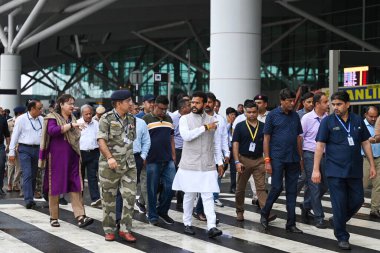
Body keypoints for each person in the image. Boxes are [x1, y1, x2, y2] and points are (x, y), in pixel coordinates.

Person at [312, 91, 376, 250]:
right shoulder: (327, 121)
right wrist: (315, 170)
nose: (335, 107)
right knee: (339, 203)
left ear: (348, 104)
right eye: (333, 104)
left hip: (354, 169)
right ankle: (342, 236)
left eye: (339, 104)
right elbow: (320, 146)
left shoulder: (357, 120)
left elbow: (365, 143)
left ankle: (338, 220)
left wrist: (372, 164)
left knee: (358, 200)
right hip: (334, 171)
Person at [172, 91, 223, 238]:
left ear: (205, 103)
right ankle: (187, 223)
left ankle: (212, 226)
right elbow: (186, 136)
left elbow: (216, 143)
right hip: (189, 164)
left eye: (197, 103)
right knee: (189, 194)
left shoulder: (212, 119)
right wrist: (205, 128)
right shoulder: (185, 119)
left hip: (207, 164)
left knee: (208, 195)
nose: (193, 105)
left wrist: (219, 162)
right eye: (192, 103)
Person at [39, 94, 94, 228]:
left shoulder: (73, 118)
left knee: (76, 185)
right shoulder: (52, 117)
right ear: (61, 104)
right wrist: (71, 126)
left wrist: (76, 128)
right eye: (69, 103)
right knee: (55, 187)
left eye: (73, 103)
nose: (72, 106)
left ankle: (80, 216)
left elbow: (75, 136)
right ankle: (54, 217)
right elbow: (53, 131)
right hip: (57, 158)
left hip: (73, 156)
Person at [260, 88, 303, 233]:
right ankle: (265, 213)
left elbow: (298, 138)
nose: (292, 103)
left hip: (293, 158)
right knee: (277, 187)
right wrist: (267, 160)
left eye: (293, 100)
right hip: (277, 158)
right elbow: (266, 138)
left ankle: (291, 223)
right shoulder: (272, 115)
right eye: (289, 101)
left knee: (292, 191)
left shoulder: (295, 116)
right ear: (282, 101)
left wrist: (301, 158)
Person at [97, 90, 137, 242]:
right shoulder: (106, 118)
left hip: (128, 165)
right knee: (108, 199)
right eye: (128, 101)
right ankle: (109, 229)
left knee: (130, 196)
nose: (131, 103)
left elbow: (131, 139)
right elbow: (101, 140)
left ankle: (125, 229)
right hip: (110, 165)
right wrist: (109, 157)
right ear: (119, 103)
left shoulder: (132, 119)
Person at [233, 101, 277, 222]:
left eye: (254, 112)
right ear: (245, 112)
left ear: (258, 112)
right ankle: (239, 211)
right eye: (249, 112)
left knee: (261, 188)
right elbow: (235, 144)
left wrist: (267, 160)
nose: (252, 114)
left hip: (259, 160)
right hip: (244, 160)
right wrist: (237, 161)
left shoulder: (263, 126)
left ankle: (266, 212)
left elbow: (267, 143)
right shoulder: (240, 126)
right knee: (240, 189)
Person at [143, 95, 176, 226]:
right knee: (152, 188)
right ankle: (152, 215)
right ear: (155, 106)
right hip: (151, 160)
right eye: (161, 108)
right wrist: (143, 157)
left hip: (168, 159)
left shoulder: (168, 118)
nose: (163, 111)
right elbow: (140, 139)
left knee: (172, 186)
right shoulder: (145, 119)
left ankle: (162, 211)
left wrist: (174, 155)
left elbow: (171, 138)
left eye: (165, 109)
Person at [300, 92, 329, 228]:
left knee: (325, 185)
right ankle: (319, 217)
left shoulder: (328, 118)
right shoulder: (306, 118)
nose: (328, 104)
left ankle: (306, 205)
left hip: (325, 155)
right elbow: (300, 138)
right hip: (310, 154)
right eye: (325, 102)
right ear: (317, 104)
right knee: (314, 186)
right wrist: (301, 156)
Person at [9, 100, 43, 207]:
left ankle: (31, 197)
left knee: (33, 175)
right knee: (27, 174)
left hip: (37, 149)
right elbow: (14, 135)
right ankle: (28, 199)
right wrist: (11, 151)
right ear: (32, 109)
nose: (41, 110)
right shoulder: (21, 119)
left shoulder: (42, 119)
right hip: (24, 149)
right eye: (39, 108)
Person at [121, 101, 151, 215]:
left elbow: (146, 141)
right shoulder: (114, 122)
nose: (129, 108)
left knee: (132, 188)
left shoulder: (141, 123)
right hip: (119, 157)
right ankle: (119, 215)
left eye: (131, 106)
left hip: (136, 157)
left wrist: (143, 156)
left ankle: (127, 214)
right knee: (120, 188)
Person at [77, 104, 101, 207]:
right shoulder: (77, 123)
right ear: (82, 113)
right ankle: (79, 199)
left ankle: (95, 198)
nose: (88, 115)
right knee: (79, 177)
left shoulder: (96, 123)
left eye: (90, 113)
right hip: (80, 153)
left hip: (93, 152)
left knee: (93, 176)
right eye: (86, 114)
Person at [171, 98, 191, 210]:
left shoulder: (190, 118)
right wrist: (173, 153)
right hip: (177, 150)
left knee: (185, 175)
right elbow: (171, 136)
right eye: (189, 105)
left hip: (188, 150)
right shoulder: (174, 118)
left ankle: (181, 201)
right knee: (176, 175)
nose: (191, 106)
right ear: (183, 108)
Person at [365, 106, 380, 218]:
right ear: (366, 114)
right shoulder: (360, 125)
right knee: (362, 184)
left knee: (378, 185)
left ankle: (375, 209)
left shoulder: (379, 125)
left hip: (378, 158)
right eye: (371, 116)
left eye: (376, 116)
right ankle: (350, 206)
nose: (374, 119)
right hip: (364, 159)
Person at [6, 106, 25, 193]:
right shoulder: (9, 122)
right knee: (10, 166)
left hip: (21, 147)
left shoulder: (25, 121)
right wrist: (8, 146)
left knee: (19, 167)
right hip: (11, 148)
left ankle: (15, 183)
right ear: (19, 113)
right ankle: (9, 184)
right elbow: (6, 135)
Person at [226, 107, 238, 193]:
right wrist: (229, 124)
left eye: (234, 115)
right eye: (231, 114)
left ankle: (233, 187)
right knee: (223, 166)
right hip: (226, 148)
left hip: (233, 148)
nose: (233, 116)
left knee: (233, 168)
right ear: (227, 115)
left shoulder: (237, 124)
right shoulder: (225, 124)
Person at [0, 110, 10, 195]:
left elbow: (7, 133)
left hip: (0, 146)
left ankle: (0, 187)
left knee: (2, 165)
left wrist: (8, 145)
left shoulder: (3, 119)